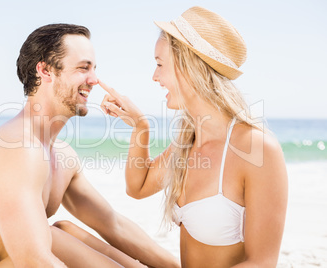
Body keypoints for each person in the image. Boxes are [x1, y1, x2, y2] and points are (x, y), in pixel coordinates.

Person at [0, 23, 180, 268]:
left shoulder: (59, 154)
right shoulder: (19, 149)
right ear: (45, 71)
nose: (93, 80)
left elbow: (114, 225)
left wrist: (177, 266)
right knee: (56, 238)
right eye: (83, 68)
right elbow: (32, 260)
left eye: (94, 69)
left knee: (66, 230)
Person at [100, 6, 288, 267]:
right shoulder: (188, 141)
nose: (155, 77)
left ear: (189, 66)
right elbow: (138, 187)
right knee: (65, 231)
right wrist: (140, 126)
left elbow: (262, 263)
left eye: (159, 64)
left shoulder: (257, 148)